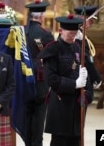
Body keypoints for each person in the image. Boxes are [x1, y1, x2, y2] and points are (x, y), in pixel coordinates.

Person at [39, 15, 94, 146]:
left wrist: (87, 94)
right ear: (60, 30)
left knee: (75, 141)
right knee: (60, 142)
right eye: (70, 34)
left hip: (76, 105)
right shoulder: (52, 50)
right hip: (60, 105)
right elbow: (51, 79)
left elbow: (86, 74)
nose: (72, 37)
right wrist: (74, 84)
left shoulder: (77, 48)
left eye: (74, 34)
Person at [24, 0, 55, 146]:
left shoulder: (22, 31)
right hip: (40, 78)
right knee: (39, 114)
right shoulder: (46, 35)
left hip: (24, 77)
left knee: (26, 114)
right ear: (41, 17)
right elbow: (52, 59)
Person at [74, 6, 102, 89]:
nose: (91, 23)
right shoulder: (77, 35)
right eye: (90, 20)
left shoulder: (80, 34)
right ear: (83, 20)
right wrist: (96, 77)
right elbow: (85, 58)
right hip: (77, 76)